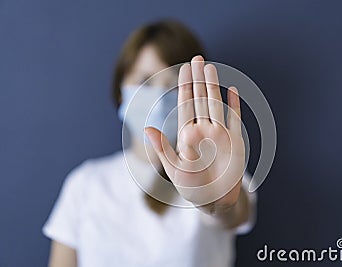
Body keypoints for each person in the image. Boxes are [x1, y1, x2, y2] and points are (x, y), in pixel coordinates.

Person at [43, 19, 257, 267]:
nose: (159, 95)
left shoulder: (215, 175)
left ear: (196, 93)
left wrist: (216, 197)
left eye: (174, 83)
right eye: (145, 80)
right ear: (121, 90)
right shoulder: (85, 184)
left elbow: (232, 213)